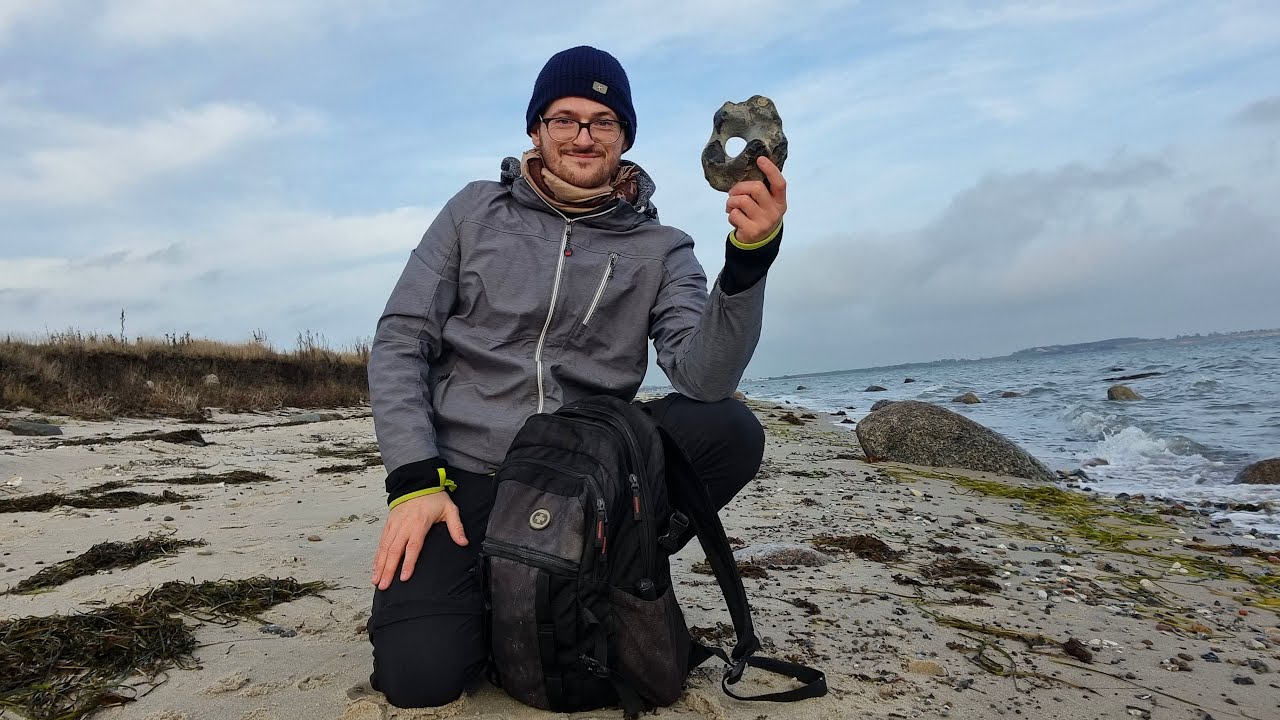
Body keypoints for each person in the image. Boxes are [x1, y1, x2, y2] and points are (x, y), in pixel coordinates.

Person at [365, 45, 788, 709]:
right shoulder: (473, 211)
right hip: (465, 473)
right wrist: (414, 479)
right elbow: (400, 340)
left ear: (625, 137)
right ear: (536, 129)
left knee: (727, 425)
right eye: (564, 119)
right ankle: (501, 579)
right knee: (421, 678)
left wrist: (749, 261)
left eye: (603, 121)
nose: (583, 136)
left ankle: (612, 560)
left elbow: (703, 375)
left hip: (585, 477)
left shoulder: (663, 248)